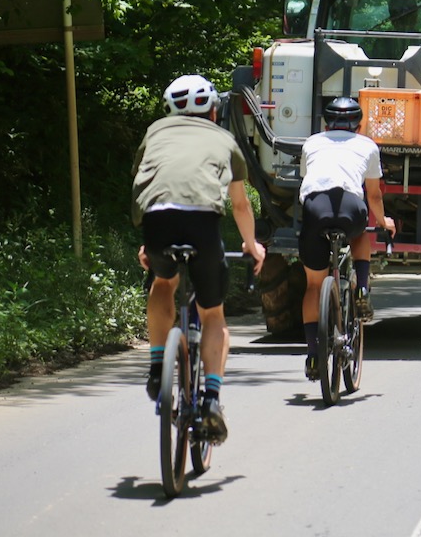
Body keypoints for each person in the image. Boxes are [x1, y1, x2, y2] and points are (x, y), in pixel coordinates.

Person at [132, 74, 266, 443]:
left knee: (163, 282)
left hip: (158, 218)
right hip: (202, 222)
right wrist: (252, 245)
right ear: (212, 110)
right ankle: (210, 400)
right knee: (213, 314)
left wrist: (148, 240)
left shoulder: (155, 132)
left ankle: (159, 367)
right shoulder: (224, 139)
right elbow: (239, 204)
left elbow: (146, 183)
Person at [298, 96, 395, 380]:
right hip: (351, 209)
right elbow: (374, 195)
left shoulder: (312, 142)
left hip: (315, 208)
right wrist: (384, 221)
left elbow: (308, 178)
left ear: (326, 122)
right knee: (360, 234)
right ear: (359, 124)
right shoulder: (367, 145)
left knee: (313, 286)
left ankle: (314, 356)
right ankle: (362, 288)